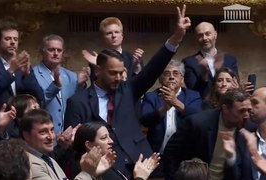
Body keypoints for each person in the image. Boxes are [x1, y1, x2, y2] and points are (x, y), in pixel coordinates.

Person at [64, 5, 191, 179]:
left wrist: (176, 38)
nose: (118, 78)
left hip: (141, 162)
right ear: (98, 70)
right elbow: (76, 147)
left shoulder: (128, 89)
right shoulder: (77, 102)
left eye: (121, 72)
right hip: (106, 169)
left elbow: (153, 68)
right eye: (112, 73)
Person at [164, 89, 253, 180]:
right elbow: (170, 153)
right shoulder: (197, 124)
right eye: (241, 111)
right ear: (225, 109)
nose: (247, 115)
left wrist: (231, 157)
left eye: (249, 110)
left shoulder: (249, 128)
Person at [0, 18, 44, 137]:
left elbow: (39, 96)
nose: (13, 42)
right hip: (0, 124)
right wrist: (11, 71)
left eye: (15, 39)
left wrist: (27, 74)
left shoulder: (24, 66)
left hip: (24, 125)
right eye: (8, 39)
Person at [140, 59, 202, 177]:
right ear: (160, 79)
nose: (171, 77)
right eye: (167, 74)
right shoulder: (151, 97)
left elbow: (198, 119)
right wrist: (164, 109)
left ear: (182, 79)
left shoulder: (193, 96)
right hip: (157, 155)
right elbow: (144, 120)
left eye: (176, 73)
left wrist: (175, 102)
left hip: (184, 157)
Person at [19, 109, 115, 180]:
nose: (51, 136)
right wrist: (87, 173)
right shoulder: (30, 164)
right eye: (43, 132)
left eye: (52, 130)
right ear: (26, 135)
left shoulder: (48, 160)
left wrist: (94, 173)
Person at [33, 34, 89, 135]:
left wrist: (80, 86)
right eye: (51, 50)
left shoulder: (71, 76)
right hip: (44, 135)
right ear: (43, 51)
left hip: (67, 136)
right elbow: (35, 106)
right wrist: (55, 85)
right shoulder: (33, 75)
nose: (55, 53)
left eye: (59, 50)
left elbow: (76, 104)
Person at [73, 121, 160, 180]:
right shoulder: (82, 169)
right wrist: (140, 177)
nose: (111, 141)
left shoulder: (104, 162)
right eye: (104, 138)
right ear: (89, 145)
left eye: (109, 136)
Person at [182, 21, 238, 99]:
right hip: (204, 108)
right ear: (196, 38)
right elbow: (193, 91)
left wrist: (241, 89)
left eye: (208, 34)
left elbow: (235, 85)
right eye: (200, 35)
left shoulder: (230, 59)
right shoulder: (189, 62)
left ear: (215, 35)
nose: (204, 38)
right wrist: (204, 75)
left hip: (228, 105)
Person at [82, 17, 143, 81]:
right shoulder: (98, 60)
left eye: (116, 32)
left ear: (122, 36)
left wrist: (137, 69)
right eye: (109, 33)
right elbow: (96, 88)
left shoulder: (133, 59)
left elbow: (140, 86)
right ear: (103, 38)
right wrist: (100, 67)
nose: (113, 36)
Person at [238, 87, 266, 179]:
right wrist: (231, 157)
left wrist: (255, 154)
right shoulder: (245, 135)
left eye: (255, 102)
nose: (249, 107)